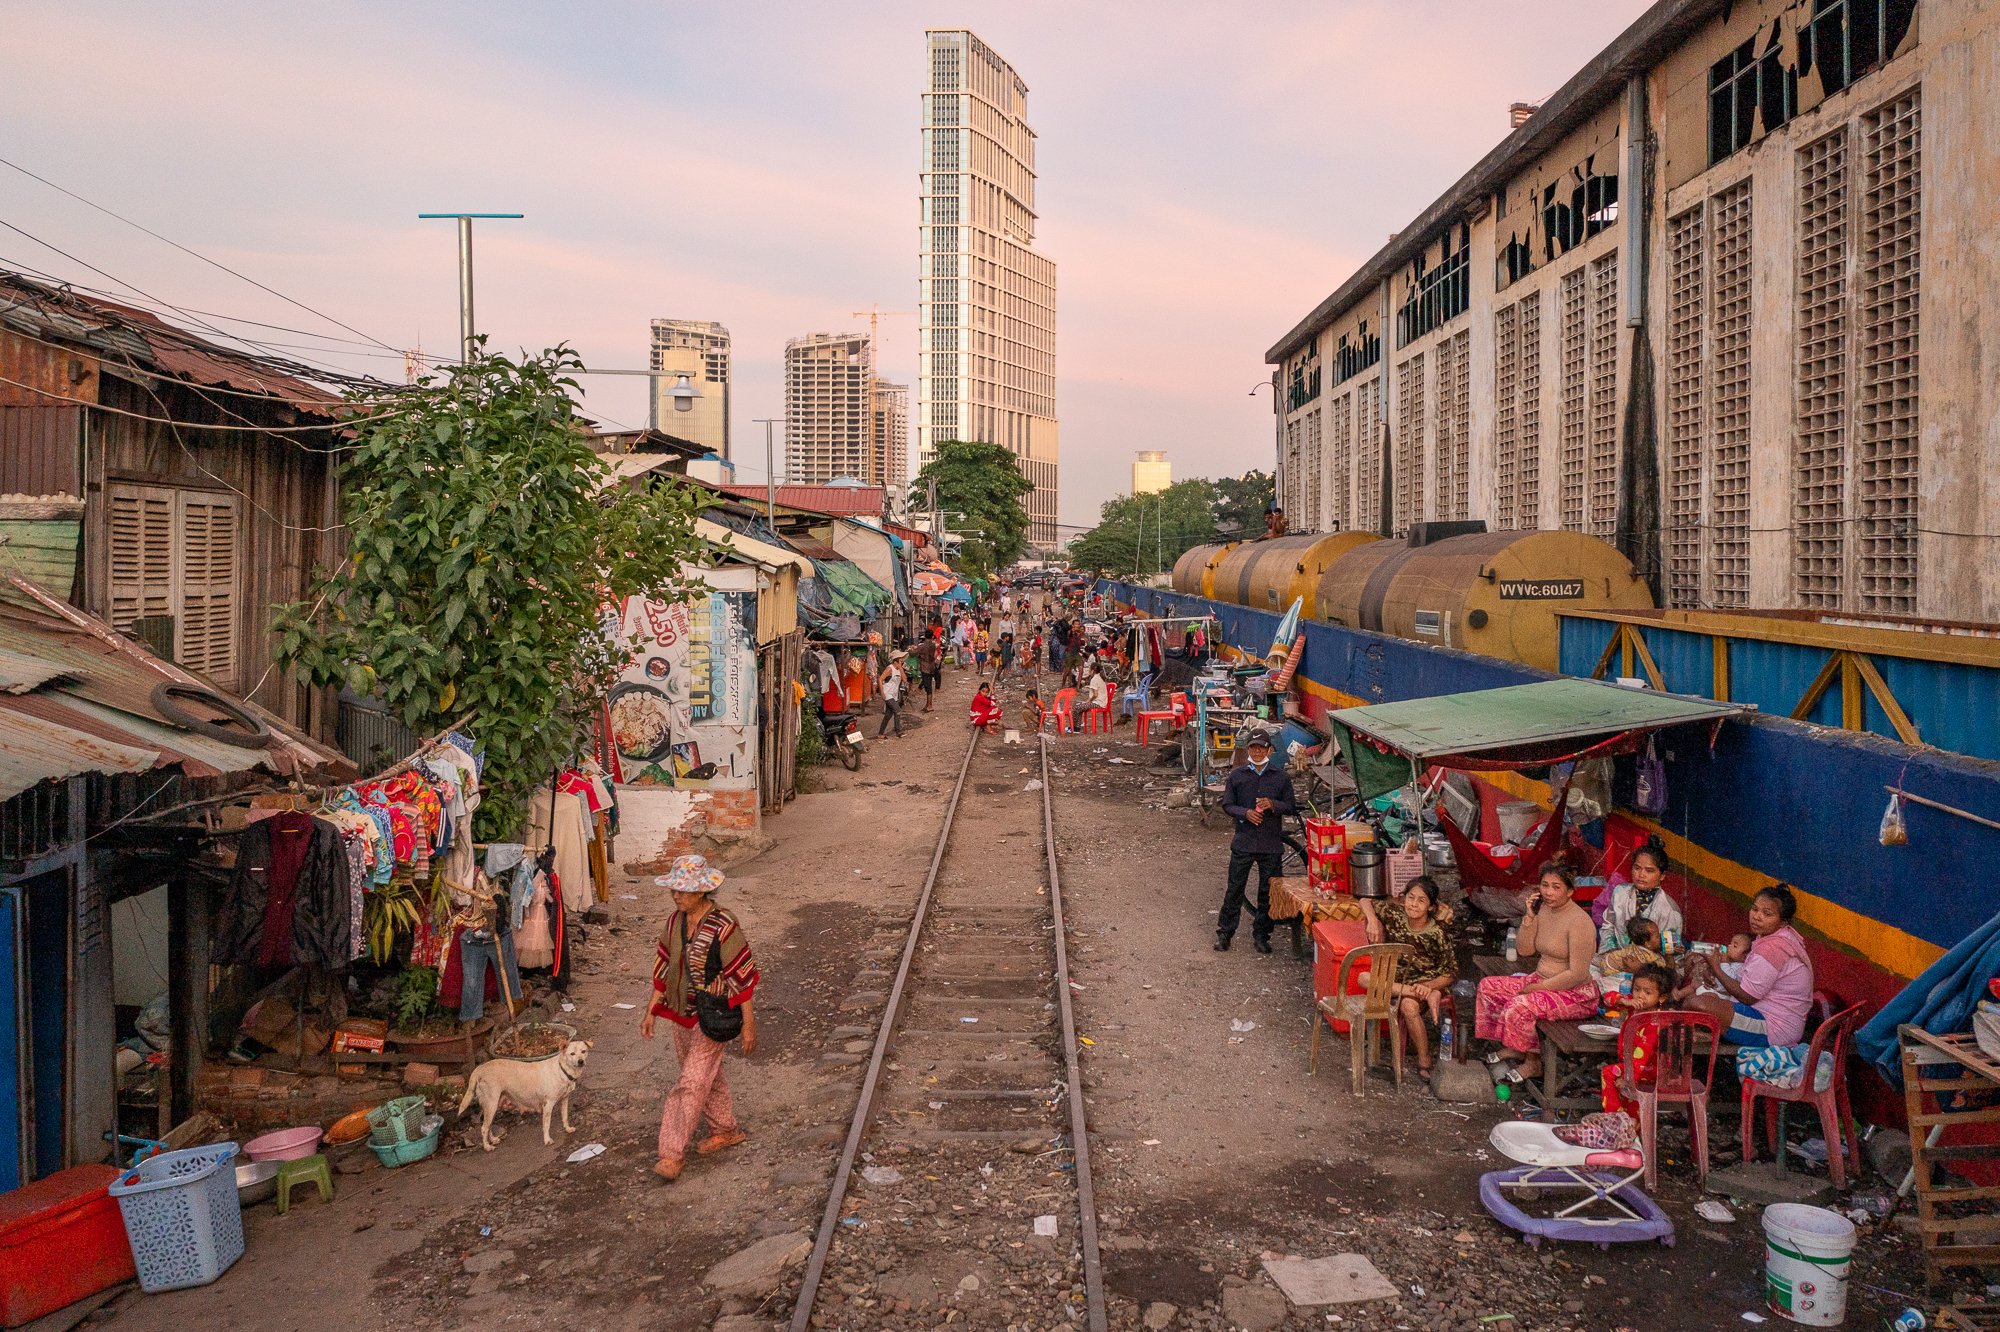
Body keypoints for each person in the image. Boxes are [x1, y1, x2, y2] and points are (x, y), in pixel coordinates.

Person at [640, 854, 759, 1182]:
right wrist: (651, 1010)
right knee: (708, 1075)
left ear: (702, 892)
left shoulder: (724, 924)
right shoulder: (674, 923)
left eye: (684, 890)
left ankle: (671, 1153)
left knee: (691, 1083)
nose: (677, 896)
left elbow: (742, 977)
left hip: (714, 1014)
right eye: (675, 890)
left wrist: (748, 1024)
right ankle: (727, 1129)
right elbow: (664, 968)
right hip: (682, 1014)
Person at [1475, 864, 1600, 1081]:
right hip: (1541, 979)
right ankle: (1515, 1045)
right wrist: (1529, 918)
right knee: (1489, 987)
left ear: (1570, 891)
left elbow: (1577, 973)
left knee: (1520, 1006)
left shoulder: (1580, 922)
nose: (1548, 892)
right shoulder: (1544, 910)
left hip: (1575, 993)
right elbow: (1525, 950)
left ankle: (1533, 1062)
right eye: (1545, 885)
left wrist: (1539, 988)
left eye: (1556, 887)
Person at [1556, 963, 1679, 1151]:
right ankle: (1629, 1126)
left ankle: (1616, 1121)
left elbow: (1642, 1057)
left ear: (1661, 998)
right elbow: (1608, 999)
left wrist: (1628, 1078)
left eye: (1647, 992)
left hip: (1650, 1069)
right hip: (1635, 1067)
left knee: (1609, 1073)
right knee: (1627, 1094)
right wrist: (1625, 1001)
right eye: (1637, 989)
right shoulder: (1635, 1007)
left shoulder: (1655, 1021)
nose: (1640, 996)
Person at [1679, 883, 1814, 1048]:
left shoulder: (1773, 948)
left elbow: (1747, 997)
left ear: (1783, 922)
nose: (1756, 916)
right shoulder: (1777, 937)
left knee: (1696, 1004)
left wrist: (1715, 967)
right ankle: (1710, 1032)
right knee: (1695, 1000)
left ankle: (1710, 1034)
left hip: (1774, 1028)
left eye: (1767, 914)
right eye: (1755, 909)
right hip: (1765, 1013)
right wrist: (1716, 975)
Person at [1359, 876, 1457, 1078]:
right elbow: (1364, 901)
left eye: (1421, 900)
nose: (1414, 904)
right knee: (1363, 978)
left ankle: (1424, 1060)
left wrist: (1429, 986)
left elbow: (1450, 973)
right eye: (1411, 898)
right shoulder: (1395, 914)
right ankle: (1423, 994)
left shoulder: (1437, 933)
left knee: (1408, 1006)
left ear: (1430, 907)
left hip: (1425, 982)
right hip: (1397, 982)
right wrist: (1373, 920)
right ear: (1404, 899)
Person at [1214, 732, 1294, 954]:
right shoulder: (1237, 776)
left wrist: (1273, 805)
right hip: (1244, 842)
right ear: (1248, 749)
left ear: (1269, 750)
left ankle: (1262, 935)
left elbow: (1291, 806)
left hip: (1270, 843)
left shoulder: (1281, 777)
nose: (1257, 752)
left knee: (1267, 892)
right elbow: (1227, 805)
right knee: (1234, 889)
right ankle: (1225, 933)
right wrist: (1245, 813)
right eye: (1253, 748)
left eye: (1262, 748)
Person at [1598, 839, 1684, 951]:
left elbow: (1671, 953)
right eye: (1637, 868)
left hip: (1651, 965)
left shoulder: (1670, 910)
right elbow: (1608, 926)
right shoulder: (1620, 893)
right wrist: (1610, 954)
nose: (1641, 875)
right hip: (1617, 959)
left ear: (1662, 875)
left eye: (1649, 871)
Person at [1597, 917, 1668, 975]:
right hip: (1611, 969)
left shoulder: (1635, 945)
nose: (1661, 937)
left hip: (1607, 960)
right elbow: (1660, 968)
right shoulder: (1647, 955)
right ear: (1647, 944)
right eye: (1657, 936)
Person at [876, 652, 908, 738]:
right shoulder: (889, 669)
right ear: (895, 661)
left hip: (894, 695)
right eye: (901, 661)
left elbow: (905, 680)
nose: (902, 663)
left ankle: (880, 733)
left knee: (888, 715)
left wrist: (901, 668)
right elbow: (880, 679)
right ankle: (898, 732)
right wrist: (882, 693)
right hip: (887, 694)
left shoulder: (898, 669)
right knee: (897, 710)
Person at [913, 636, 943, 713]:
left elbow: (915, 652)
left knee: (928, 687)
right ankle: (928, 705)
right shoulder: (934, 645)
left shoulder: (927, 646)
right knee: (928, 685)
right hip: (932, 667)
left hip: (927, 668)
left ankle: (929, 706)